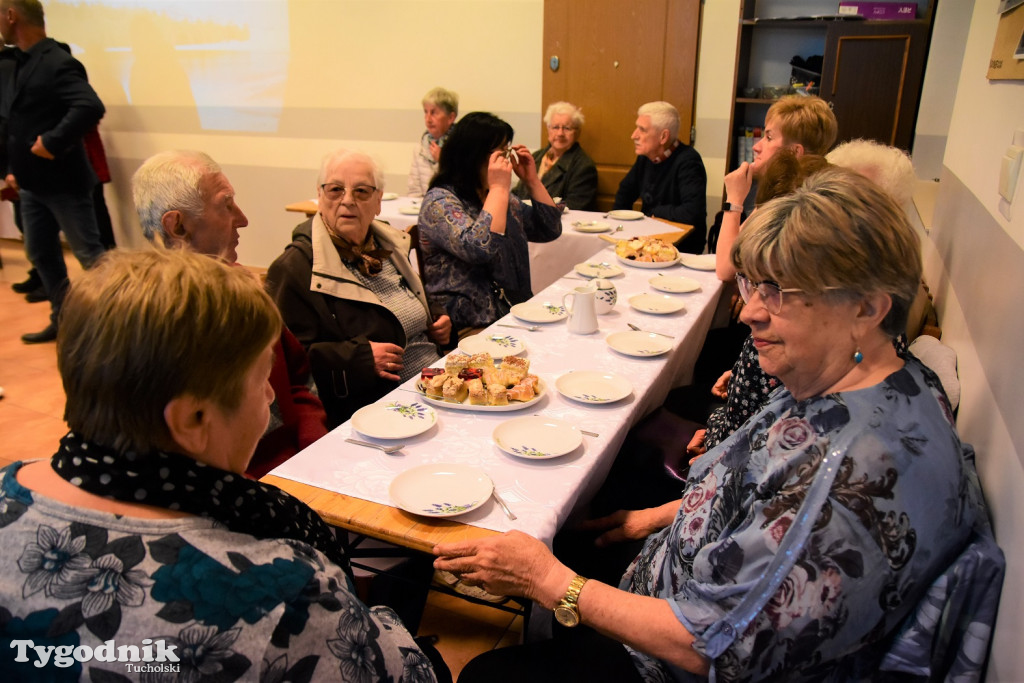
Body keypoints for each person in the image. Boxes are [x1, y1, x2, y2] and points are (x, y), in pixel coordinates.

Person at [434, 168, 976, 682]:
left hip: (669, 660)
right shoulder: (885, 379)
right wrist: (653, 519)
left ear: (867, 309)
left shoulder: (848, 477)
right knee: (580, 524)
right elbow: (764, 501)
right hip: (678, 575)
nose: (748, 313)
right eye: (752, 286)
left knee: (487, 671)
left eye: (778, 293)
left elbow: (711, 647)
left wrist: (549, 582)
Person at [0, 248, 443, 681]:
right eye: (261, 382)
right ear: (194, 419)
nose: (272, 397)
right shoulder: (283, 596)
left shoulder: (9, 490)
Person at [131, 149, 328, 478]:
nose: (243, 218)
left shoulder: (242, 288)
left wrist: (313, 443)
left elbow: (299, 379)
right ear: (177, 226)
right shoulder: (152, 326)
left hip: (299, 462)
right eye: (226, 205)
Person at [266, 149, 452, 427]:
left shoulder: (388, 244)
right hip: (377, 408)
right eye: (335, 190)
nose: (348, 200)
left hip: (435, 381)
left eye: (362, 191)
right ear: (320, 195)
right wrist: (358, 359)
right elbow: (285, 365)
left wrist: (435, 316)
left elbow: (405, 301)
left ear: (378, 201)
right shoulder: (295, 268)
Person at [0, 0, 108, 344]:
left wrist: (53, 141)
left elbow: (90, 105)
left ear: (12, 16)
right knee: (41, 253)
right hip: (31, 184)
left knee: (91, 257)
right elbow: (16, 120)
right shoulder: (19, 62)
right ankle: (63, 320)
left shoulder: (57, 61)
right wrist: (13, 168)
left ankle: (118, 326)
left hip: (64, 184)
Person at [418, 111, 562, 336]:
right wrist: (498, 188)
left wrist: (532, 180)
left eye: (508, 150)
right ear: (473, 155)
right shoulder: (439, 201)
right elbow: (479, 248)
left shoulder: (495, 196)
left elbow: (548, 229)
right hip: (469, 324)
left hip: (513, 312)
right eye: (501, 152)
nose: (506, 160)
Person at [715, 95, 837, 281]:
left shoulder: (788, 199)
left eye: (769, 137)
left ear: (795, 152)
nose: (756, 146)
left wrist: (734, 200)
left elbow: (725, 268)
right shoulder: (787, 188)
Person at [613, 101, 707, 253]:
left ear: (663, 137)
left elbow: (692, 213)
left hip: (681, 248)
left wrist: (656, 212)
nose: (633, 135)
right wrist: (621, 230)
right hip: (650, 239)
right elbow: (624, 194)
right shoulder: (645, 157)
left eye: (642, 130)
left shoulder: (689, 161)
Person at [512, 101, 597, 210]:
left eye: (567, 128)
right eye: (555, 127)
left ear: (577, 132)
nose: (560, 133)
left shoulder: (584, 166)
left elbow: (574, 208)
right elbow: (517, 194)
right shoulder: (535, 157)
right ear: (548, 129)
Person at [407, 86, 458, 197]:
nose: (428, 119)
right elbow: (413, 189)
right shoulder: (420, 148)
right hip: (424, 209)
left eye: (434, 113)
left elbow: (461, 188)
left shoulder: (461, 146)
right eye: (426, 112)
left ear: (451, 118)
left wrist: (442, 161)